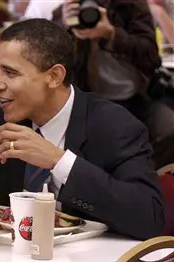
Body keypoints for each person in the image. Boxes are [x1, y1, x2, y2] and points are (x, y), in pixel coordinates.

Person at [0, 18, 165, 241]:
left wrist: (59, 161)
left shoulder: (113, 125)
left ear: (54, 76)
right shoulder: (4, 119)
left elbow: (150, 218)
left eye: (10, 72)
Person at [52, 0, 174, 168]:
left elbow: (151, 56)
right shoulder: (70, 8)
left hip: (136, 96)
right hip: (87, 98)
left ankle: (143, 178)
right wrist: (62, 24)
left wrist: (111, 34)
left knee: (168, 128)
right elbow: (47, 52)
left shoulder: (133, 6)